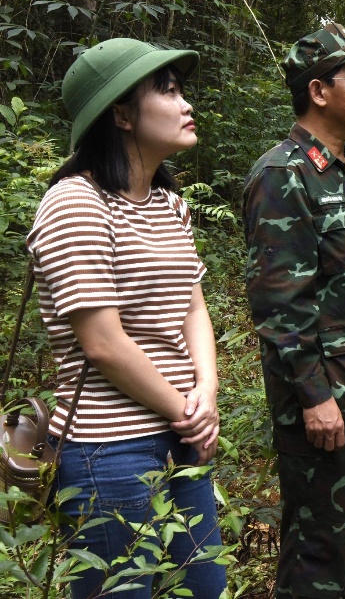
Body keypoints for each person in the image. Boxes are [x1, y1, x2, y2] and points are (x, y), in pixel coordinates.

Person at [26, 38, 226, 599]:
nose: (186, 103)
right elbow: (103, 344)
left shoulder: (169, 204)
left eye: (181, 89)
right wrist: (187, 412)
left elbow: (193, 306)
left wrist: (206, 391)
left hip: (182, 431)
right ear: (120, 114)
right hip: (108, 452)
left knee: (204, 587)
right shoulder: (74, 203)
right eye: (166, 90)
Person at [242, 23, 345, 599]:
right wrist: (314, 397)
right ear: (319, 91)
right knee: (321, 546)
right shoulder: (281, 175)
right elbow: (280, 306)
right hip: (326, 402)